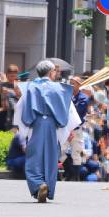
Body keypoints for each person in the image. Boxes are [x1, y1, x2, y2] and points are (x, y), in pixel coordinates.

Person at [14, 59, 76, 203]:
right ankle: (47, 185)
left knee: (34, 157)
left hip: (35, 124)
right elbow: (70, 111)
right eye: (55, 71)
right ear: (50, 72)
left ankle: (38, 184)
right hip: (52, 126)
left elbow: (20, 108)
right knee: (51, 157)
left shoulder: (30, 87)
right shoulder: (60, 88)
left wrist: (23, 131)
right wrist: (67, 130)